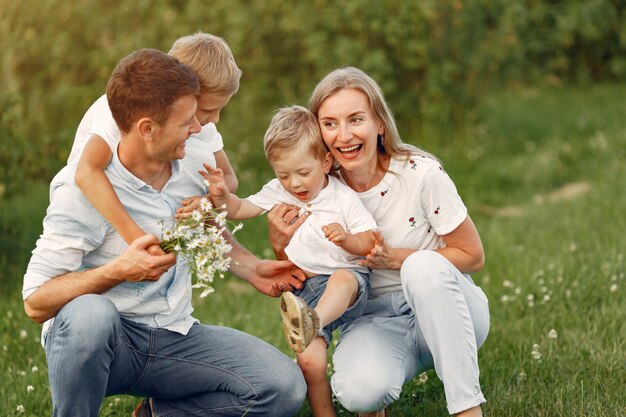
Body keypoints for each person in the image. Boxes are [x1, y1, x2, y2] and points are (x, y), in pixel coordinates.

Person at [22, 48, 306, 417]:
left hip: (173, 336)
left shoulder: (190, 160)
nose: (198, 128)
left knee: (281, 387)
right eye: (187, 120)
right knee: (90, 315)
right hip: (106, 344)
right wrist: (118, 271)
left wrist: (251, 268)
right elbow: (34, 303)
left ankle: (157, 414)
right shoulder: (81, 190)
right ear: (147, 129)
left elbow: (202, 223)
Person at [267, 67, 490, 417]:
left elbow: (473, 255)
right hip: (373, 320)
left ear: (379, 124)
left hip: (447, 308)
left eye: (356, 119)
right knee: (359, 391)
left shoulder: (420, 173)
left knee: (421, 267)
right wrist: (279, 243)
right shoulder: (314, 188)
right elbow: (307, 269)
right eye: (329, 123)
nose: (344, 135)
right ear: (317, 133)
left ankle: (467, 409)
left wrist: (397, 258)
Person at [202, 105, 377, 416]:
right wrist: (220, 197)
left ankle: (314, 322)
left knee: (342, 279)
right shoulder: (279, 192)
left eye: (303, 173)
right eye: (284, 175)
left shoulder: (342, 198)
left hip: (348, 284)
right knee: (310, 362)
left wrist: (347, 240)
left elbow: (369, 239)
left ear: (325, 162)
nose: (294, 184)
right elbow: (241, 208)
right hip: (306, 290)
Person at [67, 32, 241, 256]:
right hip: (93, 210)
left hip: (147, 206)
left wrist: (207, 201)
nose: (215, 120)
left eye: (220, 110)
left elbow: (229, 178)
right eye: (208, 110)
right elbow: (86, 173)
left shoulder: (199, 124)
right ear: (184, 92)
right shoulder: (122, 107)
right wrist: (139, 241)